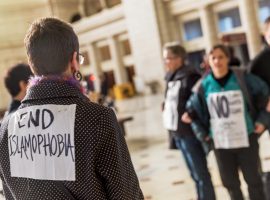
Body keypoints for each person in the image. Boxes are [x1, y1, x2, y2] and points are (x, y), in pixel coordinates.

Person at [0, 17, 143, 200]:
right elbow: (125, 195)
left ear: (31, 63)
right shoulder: (97, 118)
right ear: (74, 60)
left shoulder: (6, 128)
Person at [185, 44, 269, 200]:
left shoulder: (242, 77)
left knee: (254, 181)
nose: (217, 61)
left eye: (221, 57)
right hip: (221, 143)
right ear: (208, 61)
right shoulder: (203, 86)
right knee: (230, 184)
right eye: (213, 58)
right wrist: (204, 135)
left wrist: (262, 121)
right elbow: (191, 113)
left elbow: (266, 97)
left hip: (247, 139)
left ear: (228, 59)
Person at [162, 42, 216, 200]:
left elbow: (200, 101)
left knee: (201, 174)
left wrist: (191, 112)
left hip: (191, 133)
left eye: (168, 58)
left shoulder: (191, 76)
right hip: (178, 133)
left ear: (179, 58)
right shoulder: (171, 76)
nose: (166, 62)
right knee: (194, 174)